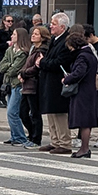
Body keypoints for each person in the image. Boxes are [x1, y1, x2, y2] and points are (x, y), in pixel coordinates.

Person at [61, 24, 98, 159]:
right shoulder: (90, 54)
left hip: (82, 91)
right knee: (86, 121)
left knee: (84, 122)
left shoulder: (82, 56)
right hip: (89, 90)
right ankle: (84, 148)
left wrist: (67, 79)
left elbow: (79, 73)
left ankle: (84, 149)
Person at [38, 12, 73, 153]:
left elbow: (59, 62)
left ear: (62, 27)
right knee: (51, 112)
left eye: (54, 24)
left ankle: (64, 143)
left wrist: (42, 62)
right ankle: (55, 140)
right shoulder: (54, 39)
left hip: (59, 82)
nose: (50, 26)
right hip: (49, 81)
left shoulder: (66, 41)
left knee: (59, 114)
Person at [0, 26, 31, 146]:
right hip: (9, 83)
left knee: (12, 112)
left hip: (17, 84)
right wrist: (9, 65)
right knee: (10, 111)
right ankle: (14, 135)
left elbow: (14, 70)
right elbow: (1, 66)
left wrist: (9, 66)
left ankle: (20, 137)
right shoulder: (10, 50)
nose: (11, 36)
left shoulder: (23, 53)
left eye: (14, 34)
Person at [18, 24, 47, 146]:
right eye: (33, 34)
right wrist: (22, 73)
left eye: (36, 34)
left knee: (35, 113)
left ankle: (36, 138)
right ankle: (31, 134)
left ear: (42, 37)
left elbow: (36, 67)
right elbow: (27, 64)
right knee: (22, 112)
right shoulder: (33, 49)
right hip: (26, 85)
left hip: (34, 85)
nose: (33, 36)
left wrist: (24, 73)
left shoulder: (41, 51)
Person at [0, 13, 14, 105]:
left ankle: (3, 97)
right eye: (8, 21)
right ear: (4, 22)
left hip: (8, 57)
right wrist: (6, 44)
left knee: (6, 79)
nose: (10, 23)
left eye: (12, 21)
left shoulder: (11, 32)